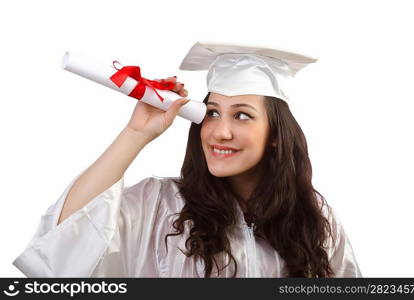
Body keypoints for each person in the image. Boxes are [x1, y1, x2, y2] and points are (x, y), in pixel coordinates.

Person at [13, 42, 362, 278]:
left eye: (241, 116)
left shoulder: (314, 216)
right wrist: (136, 133)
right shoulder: (161, 204)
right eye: (212, 113)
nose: (219, 132)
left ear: (275, 136)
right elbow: (63, 245)